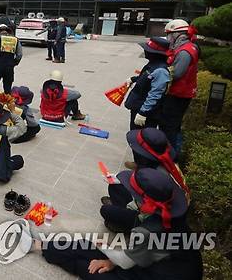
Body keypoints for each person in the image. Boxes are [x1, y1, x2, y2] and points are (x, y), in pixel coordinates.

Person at [43, 168, 201, 280]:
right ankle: (43, 247)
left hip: (153, 273)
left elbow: (125, 262)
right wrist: (112, 260)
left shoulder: (149, 230)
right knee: (85, 248)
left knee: (88, 267)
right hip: (157, 267)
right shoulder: (173, 215)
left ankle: (43, 248)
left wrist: (104, 248)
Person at [101, 128, 190, 233]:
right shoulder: (165, 162)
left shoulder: (160, 174)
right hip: (152, 203)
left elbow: (151, 209)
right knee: (114, 187)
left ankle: (126, 225)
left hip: (154, 216)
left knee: (106, 210)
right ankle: (121, 209)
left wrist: (133, 207)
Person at [160, 19, 199, 155]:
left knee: (170, 126)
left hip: (178, 94)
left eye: (169, 34)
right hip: (182, 92)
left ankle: (171, 156)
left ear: (177, 34)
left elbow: (176, 73)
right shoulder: (188, 47)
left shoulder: (184, 51)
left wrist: (160, 73)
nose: (168, 38)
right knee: (173, 125)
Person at [124, 37, 171, 130]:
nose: (145, 51)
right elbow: (147, 78)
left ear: (155, 53)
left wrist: (143, 113)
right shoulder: (153, 64)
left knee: (141, 138)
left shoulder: (161, 70)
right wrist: (134, 79)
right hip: (137, 105)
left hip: (146, 112)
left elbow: (155, 94)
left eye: (147, 50)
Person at [0, 24, 22, 93]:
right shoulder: (15, 39)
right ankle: (7, 103)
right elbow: (19, 54)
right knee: (8, 88)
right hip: (9, 67)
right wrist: (14, 62)